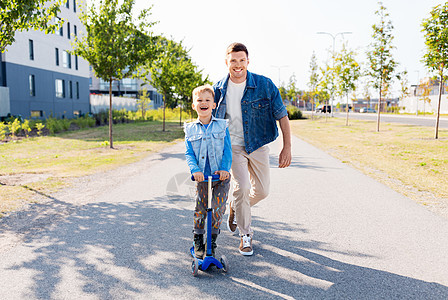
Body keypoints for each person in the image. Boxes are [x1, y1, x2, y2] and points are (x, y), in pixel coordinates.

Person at [213, 42, 291, 256]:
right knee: (242, 187)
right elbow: (210, 120)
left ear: (248, 61)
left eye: (242, 60)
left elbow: (282, 115)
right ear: (227, 62)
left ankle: (235, 207)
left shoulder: (264, 85)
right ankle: (245, 236)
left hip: (257, 144)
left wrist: (287, 147)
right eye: (233, 61)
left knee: (263, 191)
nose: (237, 65)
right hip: (234, 146)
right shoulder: (218, 88)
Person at [184, 85, 232, 258]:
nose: (203, 103)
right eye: (199, 100)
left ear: (213, 105)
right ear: (193, 105)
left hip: (221, 177)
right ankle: (198, 238)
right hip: (203, 177)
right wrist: (195, 170)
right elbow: (189, 153)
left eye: (207, 100)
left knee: (218, 208)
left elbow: (228, 150)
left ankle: (211, 241)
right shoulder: (190, 129)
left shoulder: (222, 126)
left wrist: (225, 169)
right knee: (201, 208)